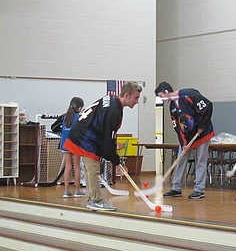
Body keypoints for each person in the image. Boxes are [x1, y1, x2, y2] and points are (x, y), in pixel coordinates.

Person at [64, 82, 142, 211]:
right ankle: (96, 200)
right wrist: (115, 160)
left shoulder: (111, 101)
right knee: (93, 169)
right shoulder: (114, 111)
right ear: (127, 95)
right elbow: (107, 140)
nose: (137, 101)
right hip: (85, 138)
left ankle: (92, 199)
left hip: (81, 134)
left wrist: (114, 157)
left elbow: (107, 136)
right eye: (136, 98)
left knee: (90, 170)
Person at [154, 82, 215, 199]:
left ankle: (199, 189)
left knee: (200, 160)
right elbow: (178, 128)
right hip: (188, 137)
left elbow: (208, 106)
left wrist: (202, 126)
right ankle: (176, 188)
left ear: (166, 92)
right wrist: (184, 144)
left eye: (161, 96)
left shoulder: (188, 95)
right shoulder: (172, 108)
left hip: (202, 133)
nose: (161, 99)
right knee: (181, 158)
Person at [51, 97, 85, 198]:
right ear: (79, 108)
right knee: (77, 166)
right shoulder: (79, 117)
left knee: (68, 166)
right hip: (75, 143)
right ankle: (77, 190)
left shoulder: (63, 117)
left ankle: (66, 191)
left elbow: (53, 127)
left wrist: (62, 131)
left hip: (65, 144)